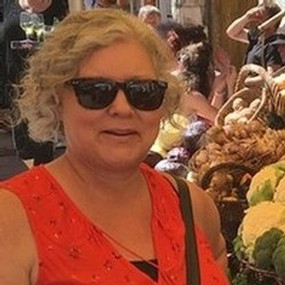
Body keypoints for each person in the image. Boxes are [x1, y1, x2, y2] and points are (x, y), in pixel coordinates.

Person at [0, 9, 229, 284]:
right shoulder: (11, 219)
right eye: (96, 91)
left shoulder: (194, 207)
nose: (122, 108)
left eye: (143, 91)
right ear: (56, 99)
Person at [3, 0, 68, 165]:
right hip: (15, 89)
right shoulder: (7, 4)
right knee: (23, 150)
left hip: (48, 86)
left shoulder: (60, 6)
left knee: (44, 145)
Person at [226, 3, 284, 72]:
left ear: (272, 21)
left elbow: (272, 76)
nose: (256, 20)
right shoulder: (257, 37)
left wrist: (248, 81)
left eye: (260, 17)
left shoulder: (275, 44)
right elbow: (232, 32)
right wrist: (246, 17)